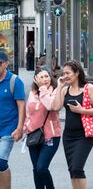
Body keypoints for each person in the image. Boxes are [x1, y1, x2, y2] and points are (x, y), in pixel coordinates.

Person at [49, 60, 93, 189]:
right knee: (72, 170)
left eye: (68, 73)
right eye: (63, 73)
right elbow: (55, 107)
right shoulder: (64, 89)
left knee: (77, 168)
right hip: (68, 136)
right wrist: (59, 87)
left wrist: (81, 110)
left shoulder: (89, 88)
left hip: (84, 135)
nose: (65, 76)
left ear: (77, 73)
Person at [25, 68, 61, 189]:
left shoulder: (55, 91)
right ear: (36, 79)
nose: (45, 79)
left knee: (42, 168)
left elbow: (51, 106)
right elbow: (28, 112)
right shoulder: (32, 93)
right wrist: (26, 127)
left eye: (47, 76)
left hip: (51, 135)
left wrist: (43, 89)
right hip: (34, 135)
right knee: (36, 169)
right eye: (41, 77)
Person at [0, 51, 25, 189]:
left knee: (1, 162)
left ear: (6, 64)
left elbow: (21, 106)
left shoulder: (14, 81)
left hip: (8, 128)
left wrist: (20, 128)